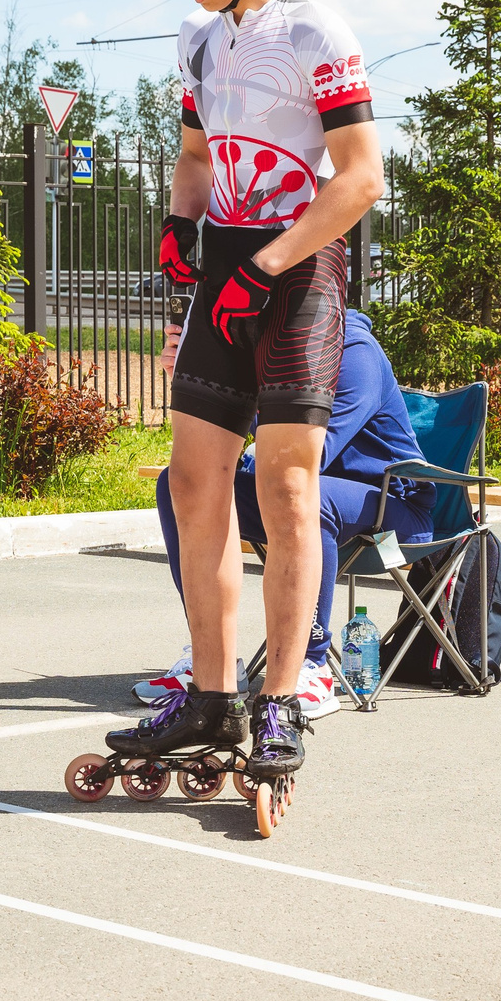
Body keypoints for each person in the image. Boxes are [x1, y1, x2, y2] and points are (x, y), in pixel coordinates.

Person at [108, 0, 383, 789]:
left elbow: (359, 178)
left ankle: (283, 698)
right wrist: (181, 229)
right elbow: (193, 155)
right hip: (230, 253)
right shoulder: (198, 38)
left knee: (286, 485)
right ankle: (214, 694)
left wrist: (267, 266)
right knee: (193, 482)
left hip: (300, 261)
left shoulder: (316, 28)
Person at [141, 306, 432, 718]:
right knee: (181, 484)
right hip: (292, 498)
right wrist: (195, 378)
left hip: (393, 511)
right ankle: (211, 658)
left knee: (307, 494)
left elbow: (307, 455)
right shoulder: (265, 354)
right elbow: (231, 446)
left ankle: (310, 665)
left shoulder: (354, 353)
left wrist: (248, 398)